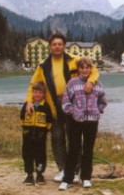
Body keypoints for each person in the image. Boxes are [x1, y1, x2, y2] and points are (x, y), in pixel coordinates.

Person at [24, 33, 99, 182]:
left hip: (73, 104)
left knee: (74, 139)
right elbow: (33, 85)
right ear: (50, 46)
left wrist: (90, 81)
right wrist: (29, 101)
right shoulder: (43, 64)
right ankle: (62, 169)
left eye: (60, 44)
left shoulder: (74, 60)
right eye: (54, 44)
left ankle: (76, 170)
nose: (57, 46)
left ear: (64, 46)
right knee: (57, 138)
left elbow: (94, 70)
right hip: (54, 105)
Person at [59, 57, 107, 190]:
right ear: (78, 69)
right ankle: (67, 179)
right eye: (82, 67)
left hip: (92, 121)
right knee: (73, 149)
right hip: (75, 120)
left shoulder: (98, 84)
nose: (85, 70)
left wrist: (98, 110)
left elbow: (103, 101)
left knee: (88, 150)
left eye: (87, 67)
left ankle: (86, 178)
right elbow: (66, 101)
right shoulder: (72, 83)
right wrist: (72, 112)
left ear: (91, 69)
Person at [19, 82, 53, 185]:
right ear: (32, 93)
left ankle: (39, 174)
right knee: (27, 155)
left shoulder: (45, 106)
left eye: (40, 92)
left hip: (40, 137)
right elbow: (22, 117)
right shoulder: (27, 105)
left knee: (40, 156)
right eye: (35, 92)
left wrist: (44, 131)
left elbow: (49, 121)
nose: (37, 94)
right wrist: (26, 129)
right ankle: (29, 175)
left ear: (44, 94)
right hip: (28, 136)